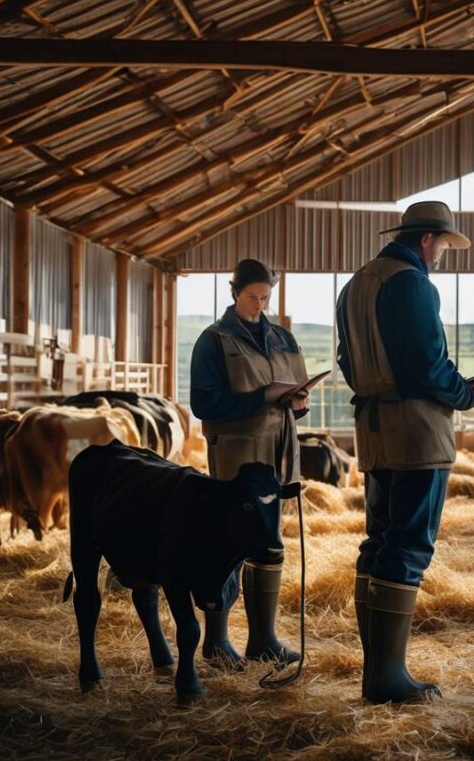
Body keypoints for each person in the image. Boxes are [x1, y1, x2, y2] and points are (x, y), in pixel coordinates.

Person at [336, 201, 474, 704]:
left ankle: (376, 670)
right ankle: (387, 677)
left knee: (379, 540)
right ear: (427, 240)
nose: (443, 254)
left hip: (374, 428)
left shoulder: (357, 283)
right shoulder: (412, 282)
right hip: (417, 432)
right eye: (443, 245)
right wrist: (468, 394)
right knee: (408, 544)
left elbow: (346, 360)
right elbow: (429, 365)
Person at [189, 258, 309, 669]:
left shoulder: (283, 339)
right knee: (228, 545)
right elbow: (203, 404)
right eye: (252, 297)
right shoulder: (215, 340)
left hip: (277, 457)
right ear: (234, 292)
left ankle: (264, 639)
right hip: (236, 460)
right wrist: (261, 397)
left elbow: (294, 394)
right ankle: (217, 641)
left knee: (270, 544)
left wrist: (298, 402)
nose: (259, 305)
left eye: (265, 298)